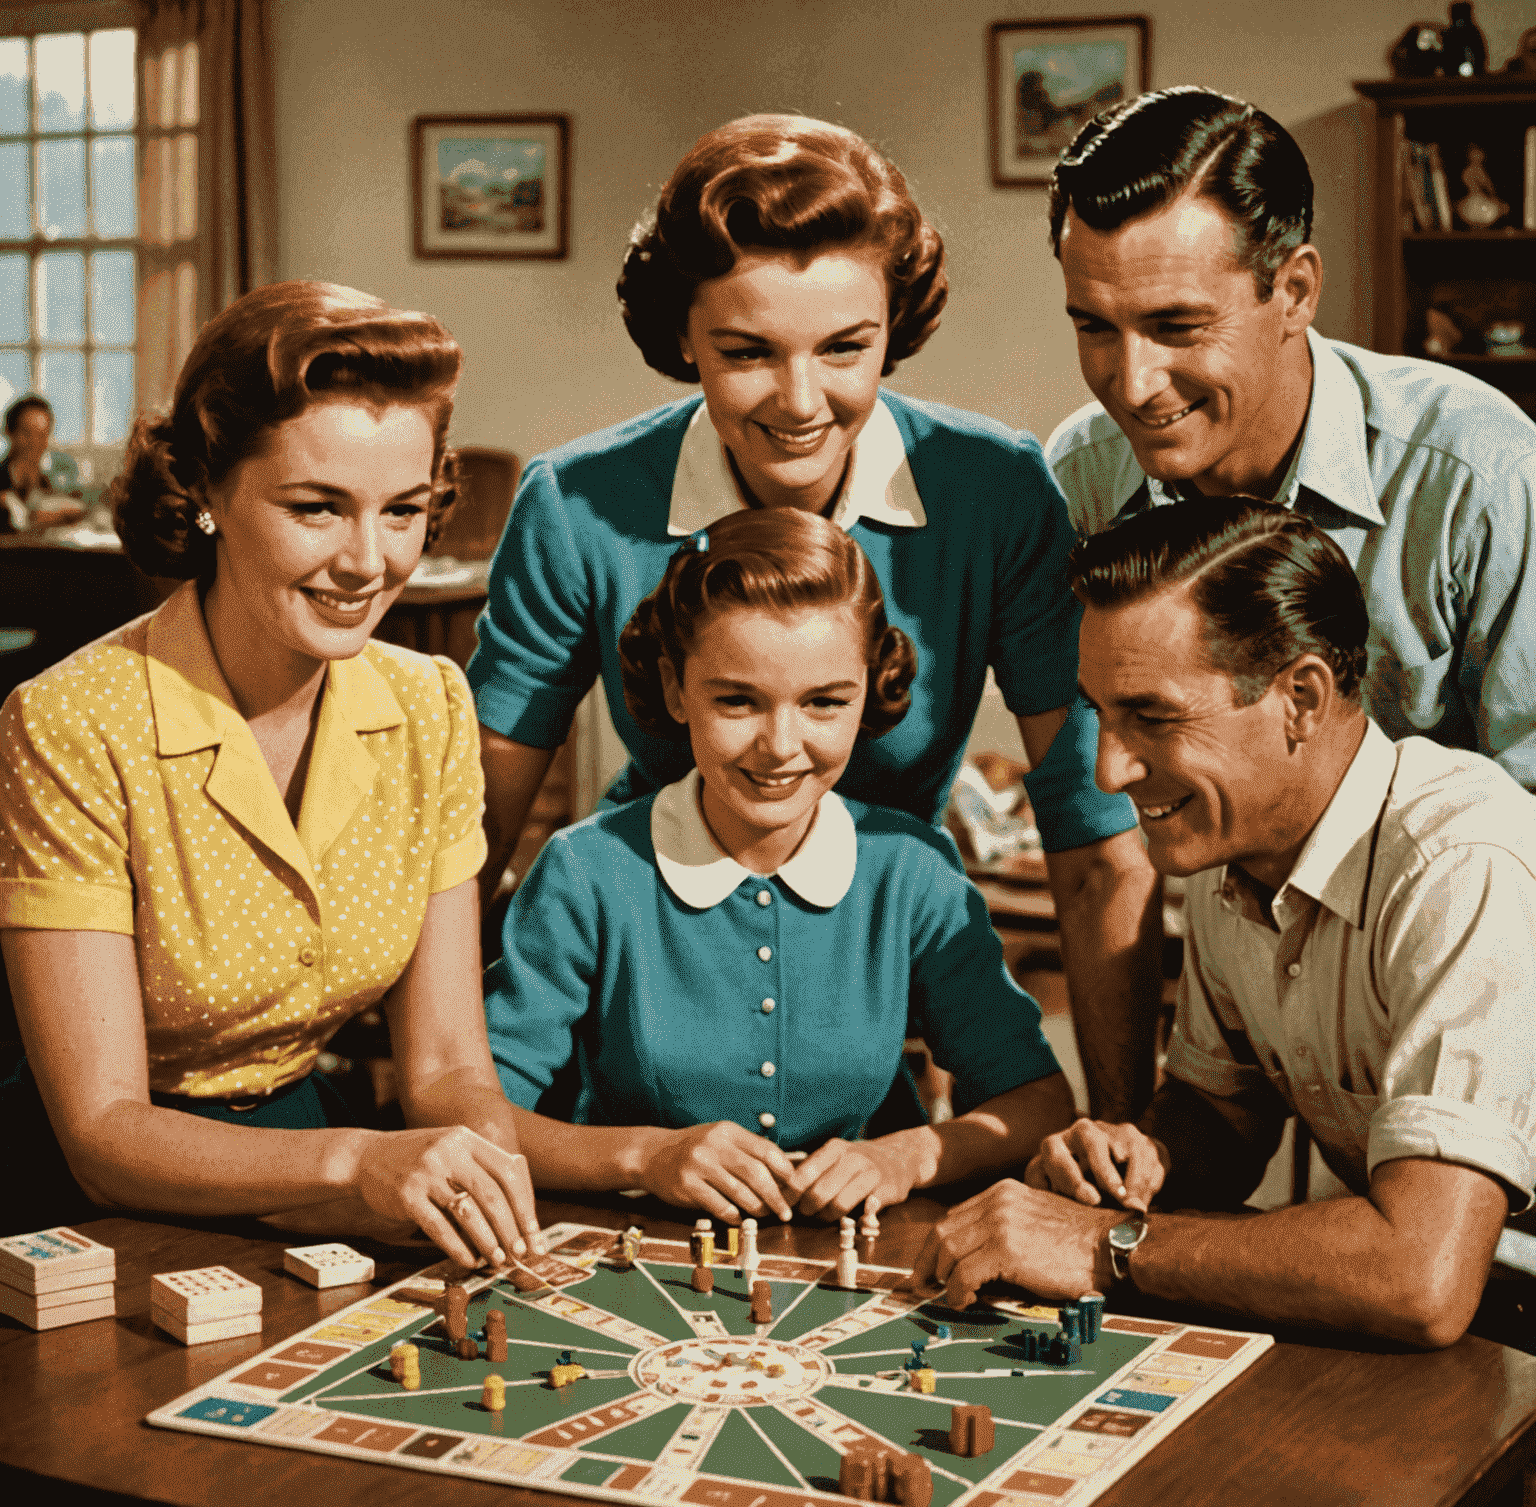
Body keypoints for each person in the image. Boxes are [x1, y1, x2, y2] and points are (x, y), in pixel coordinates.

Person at [470, 113, 1162, 1122]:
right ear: (682, 337)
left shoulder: (995, 491)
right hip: (641, 1001)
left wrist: (1115, 1134)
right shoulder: (576, 503)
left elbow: (1095, 841)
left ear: (896, 326)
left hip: (871, 982)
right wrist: (447, 1108)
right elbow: (469, 837)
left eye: (846, 348)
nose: (801, 401)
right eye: (747, 351)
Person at [912, 498, 1536, 1349]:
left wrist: (1104, 1244)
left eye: (1153, 717)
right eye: (1097, 714)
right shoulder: (1230, 841)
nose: (1108, 768)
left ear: (1302, 698)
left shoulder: (1462, 865)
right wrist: (1135, 1162)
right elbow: (1221, 1113)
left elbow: (1419, 1278)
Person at [0, 281, 539, 1262]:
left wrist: (483, 1168)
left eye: (404, 511)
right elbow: (102, 1133)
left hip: (316, 1165)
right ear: (205, 491)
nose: (368, 560)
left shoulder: (432, 706)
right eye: (316, 509)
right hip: (83, 1208)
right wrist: (361, 1166)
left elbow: (450, 1064)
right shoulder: (70, 721)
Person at [485, 508, 1076, 1225]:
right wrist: (646, 1156)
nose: (780, 745)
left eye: (825, 703)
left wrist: (910, 1155)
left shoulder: (911, 871)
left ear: (869, 691)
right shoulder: (588, 871)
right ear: (675, 690)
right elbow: (478, 1117)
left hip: (862, 1268)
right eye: (737, 700)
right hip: (638, 1257)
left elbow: (1039, 1102)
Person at [1044, 86, 1536, 787]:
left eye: (1177, 326)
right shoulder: (1082, 476)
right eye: (1094, 325)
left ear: (1296, 292)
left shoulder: (1480, 477)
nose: (1132, 383)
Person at [1, 394, 85, 531]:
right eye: (27, 433)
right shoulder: (3, 482)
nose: (34, 443)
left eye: (41, 435)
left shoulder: (45, 482)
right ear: (9, 433)